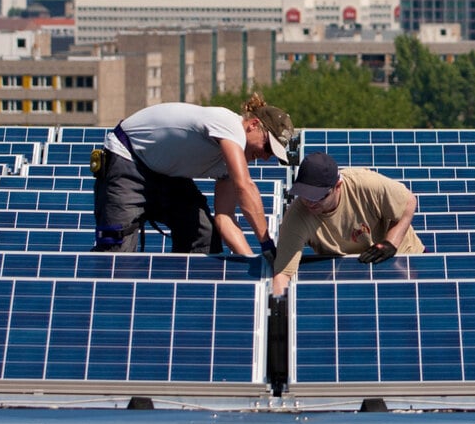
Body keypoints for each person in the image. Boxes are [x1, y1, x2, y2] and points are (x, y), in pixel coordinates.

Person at [92, 93, 294, 255]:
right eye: (267, 147)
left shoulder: (228, 163)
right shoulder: (229, 125)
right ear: (253, 125)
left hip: (166, 174)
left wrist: (253, 261)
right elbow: (244, 185)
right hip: (129, 159)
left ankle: (185, 299)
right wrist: (267, 244)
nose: (266, 157)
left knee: (203, 234)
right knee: (116, 253)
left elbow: (225, 218)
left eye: (272, 154)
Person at [271, 151, 425, 295]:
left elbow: (409, 201)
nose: (310, 203)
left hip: (403, 258)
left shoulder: (366, 185)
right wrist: (283, 305)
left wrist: (391, 243)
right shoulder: (296, 216)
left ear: (338, 186)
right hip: (352, 273)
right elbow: (283, 273)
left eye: (318, 197)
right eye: (305, 195)